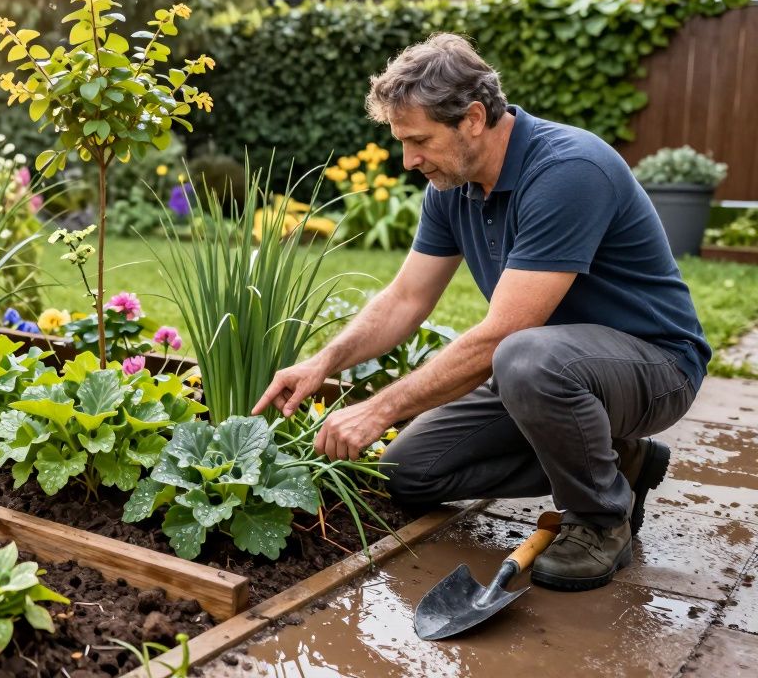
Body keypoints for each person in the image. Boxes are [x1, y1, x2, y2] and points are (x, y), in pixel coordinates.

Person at [252, 33, 709, 591]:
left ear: (472, 118)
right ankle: (613, 460)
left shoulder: (569, 169)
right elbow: (405, 299)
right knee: (409, 470)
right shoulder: (452, 186)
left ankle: (599, 519)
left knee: (520, 355)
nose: (408, 160)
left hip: (654, 365)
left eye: (418, 140)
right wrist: (322, 363)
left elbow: (505, 337)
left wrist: (379, 409)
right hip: (548, 368)